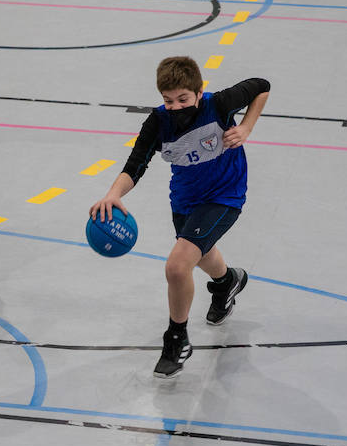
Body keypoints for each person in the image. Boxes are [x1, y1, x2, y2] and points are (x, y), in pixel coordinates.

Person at [89, 57, 270, 380]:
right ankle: (228, 281)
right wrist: (113, 194)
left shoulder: (220, 104)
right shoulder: (158, 123)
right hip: (185, 199)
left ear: (199, 93)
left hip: (225, 195)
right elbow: (135, 164)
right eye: (168, 100)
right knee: (200, 255)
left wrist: (246, 127)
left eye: (183, 99)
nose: (175, 106)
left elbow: (261, 87)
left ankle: (177, 339)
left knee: (177, 266)